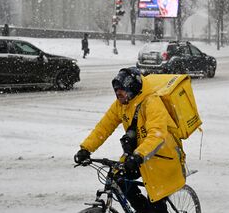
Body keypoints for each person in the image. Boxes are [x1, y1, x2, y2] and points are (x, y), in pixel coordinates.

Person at [74, 67, 185, 213]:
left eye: (122, 91)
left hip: (162, 157)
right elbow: (104, 127)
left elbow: (157, 134)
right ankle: (142, 209)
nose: (118, 96)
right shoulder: (121, 104)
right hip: (138, 155)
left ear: (132, 89)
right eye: (116, 92)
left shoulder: (152, 102)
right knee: (118, 178)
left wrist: (139, 155)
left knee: (156, 204)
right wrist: (86, 148)